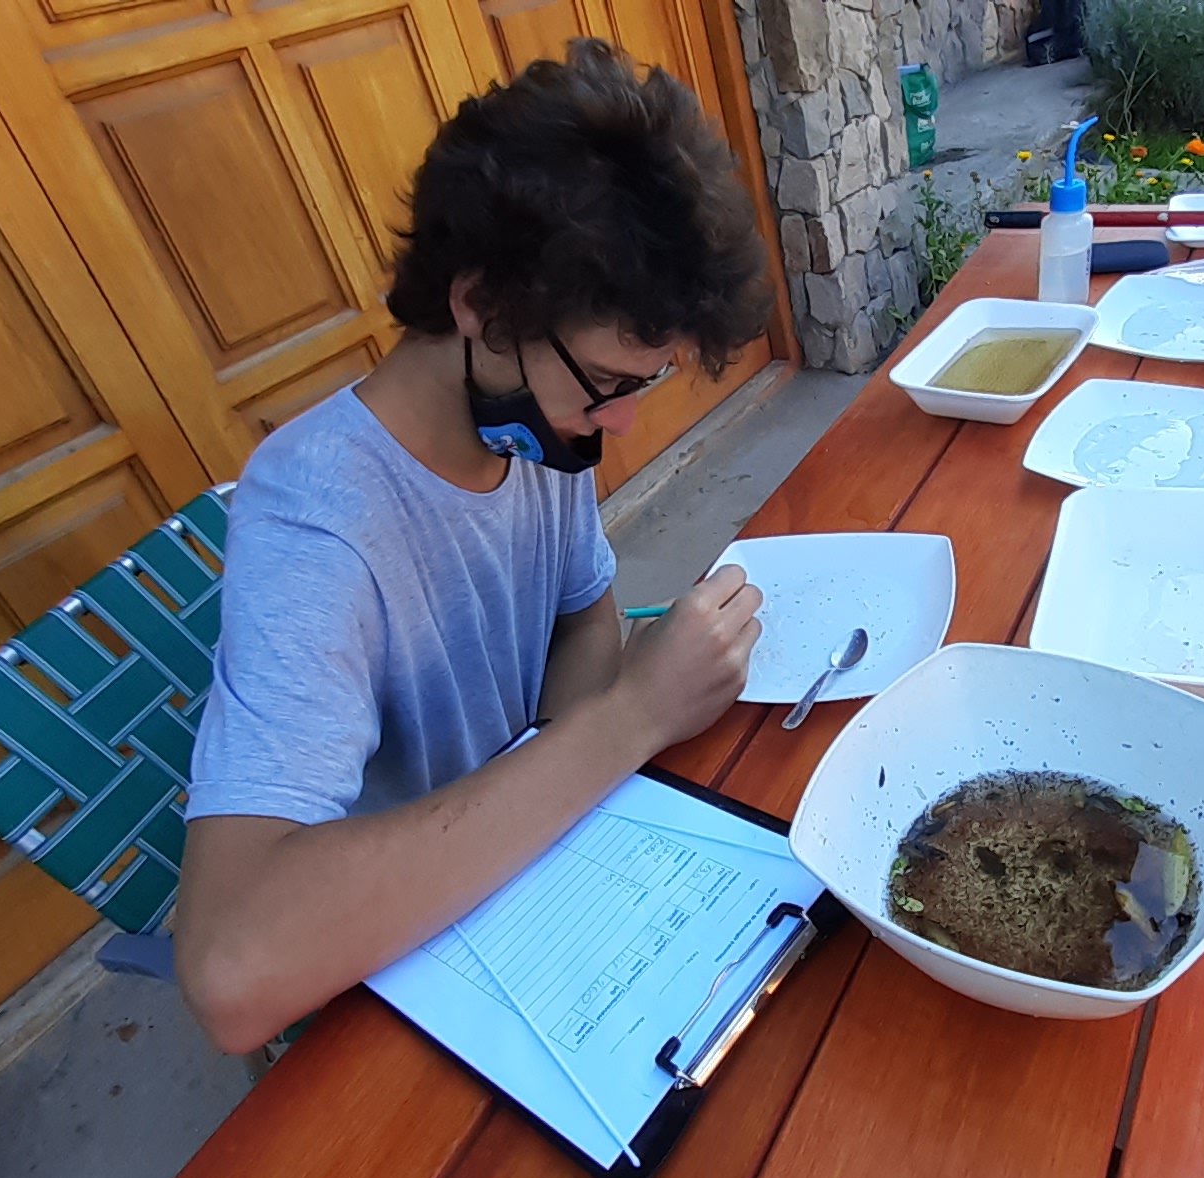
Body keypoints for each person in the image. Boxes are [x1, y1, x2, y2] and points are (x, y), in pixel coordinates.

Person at [173, 39, 773, 1054]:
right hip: (405, 968)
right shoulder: (316, 524)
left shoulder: (532, 427)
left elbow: (584, 604)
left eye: (645, 383)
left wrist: (566, 770)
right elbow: (231, 972)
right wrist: (625, 724)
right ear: (482, 306)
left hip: (531, 896)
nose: (622, 425)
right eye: (608, 383)